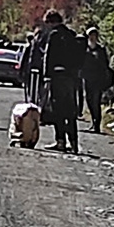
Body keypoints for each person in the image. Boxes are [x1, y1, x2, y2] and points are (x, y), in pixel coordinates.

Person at [40, 9, 86, 153]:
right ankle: (74, 143)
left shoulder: (54, 35)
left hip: (57, 77)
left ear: (51, 22)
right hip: (71, 78)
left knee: (58, 110)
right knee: (70, 111)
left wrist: (46, 76)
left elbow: (48, 56)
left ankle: (60, 141)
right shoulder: (71, 35)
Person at [80, 26, 113, 133]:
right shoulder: (84, 49)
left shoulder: (101, 49)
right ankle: (93, 121)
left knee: (96, 102)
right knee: (89, 101)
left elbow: (105, 64)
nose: (92, 37)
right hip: (87, 79)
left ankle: (97, 124)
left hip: (98, 80)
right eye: (91, 35)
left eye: (94, 35)